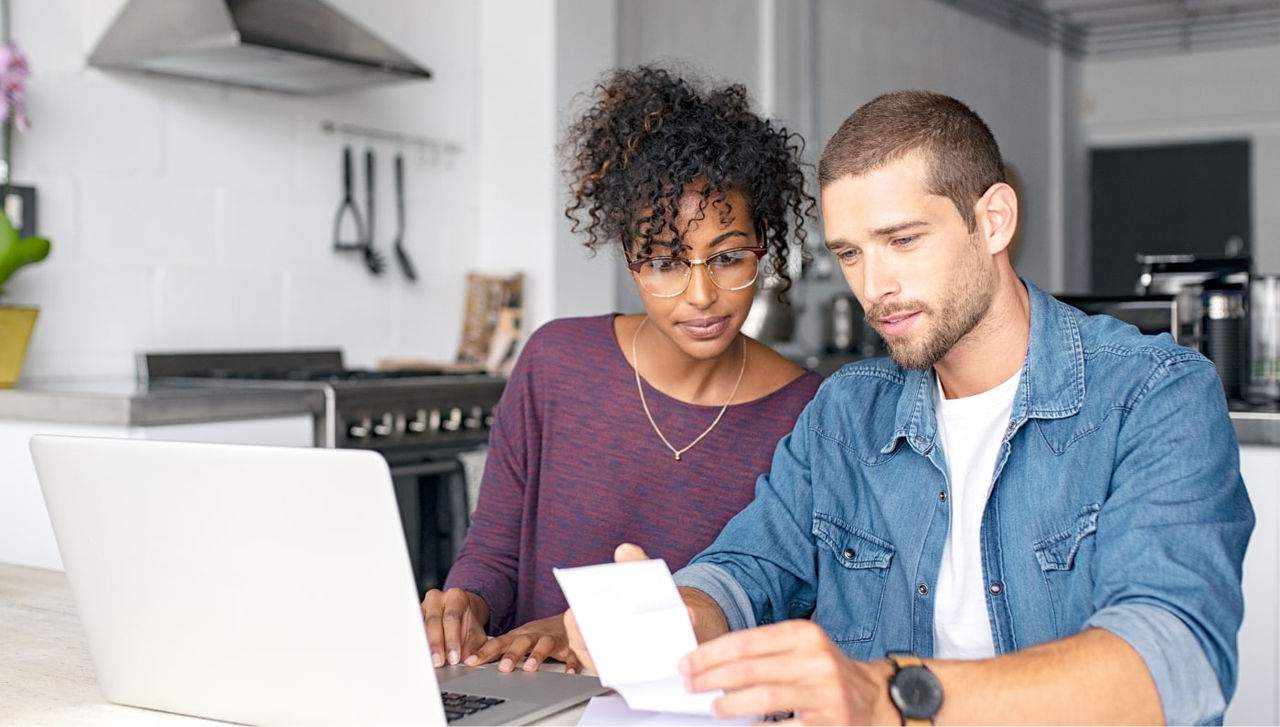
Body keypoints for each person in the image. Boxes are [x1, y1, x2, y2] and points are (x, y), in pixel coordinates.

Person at [566, 90, 1254, 725]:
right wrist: (678, 616)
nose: (875, 286)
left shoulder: (1155, 394)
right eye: (850, 253)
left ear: (993, 220)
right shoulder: (846, 412)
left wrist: (891, 696)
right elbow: (750, 568)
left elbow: (1173, 661)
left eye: (902, 240)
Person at [421, 65, 823, 675]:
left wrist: (583, 632)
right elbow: (495, 552)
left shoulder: (808, 414)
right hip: (534, 696)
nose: (701, 296)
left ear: (763, 247)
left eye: (729, 257)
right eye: (664, 262)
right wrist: (465, 604)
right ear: (630, 260)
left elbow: (779, 607)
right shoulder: (555, 363)